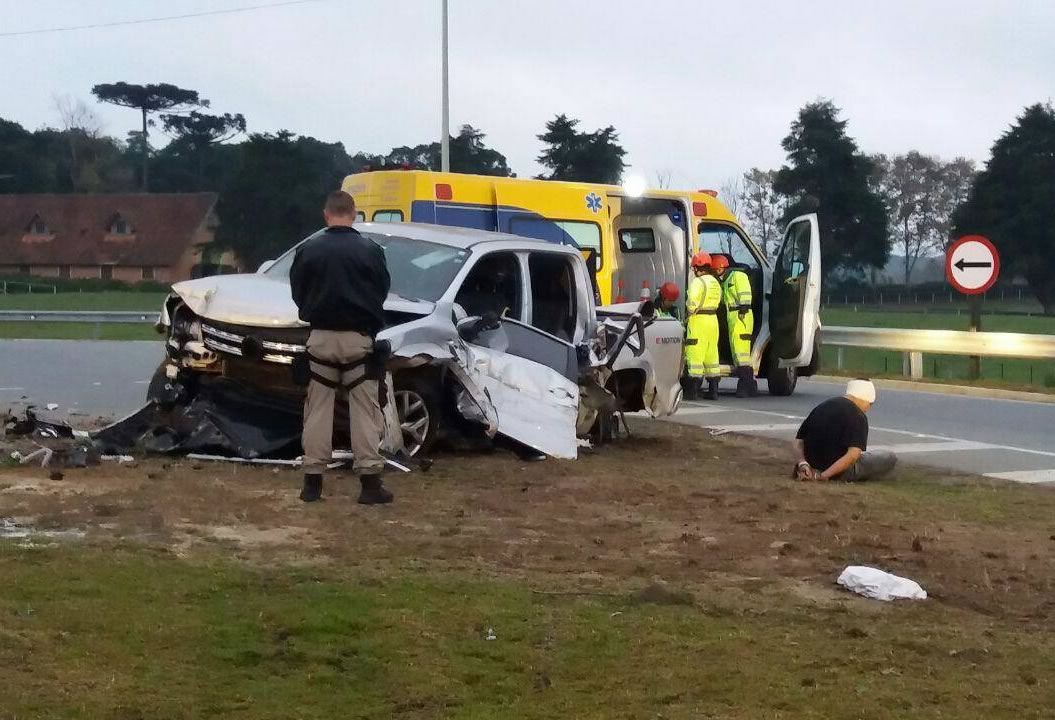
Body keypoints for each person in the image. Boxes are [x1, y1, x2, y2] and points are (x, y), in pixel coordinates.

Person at [290, 191, 393, 504]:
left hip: (320, 336)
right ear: (354, 213)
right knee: (365, 410)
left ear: (326, 214)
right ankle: (370, 485)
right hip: (358, 338)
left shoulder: (308, 249)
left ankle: (312, 484)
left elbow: (298, 292)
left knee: (317, 410)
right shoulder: (371, 250)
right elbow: (382, 290)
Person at [792, 379, 897, 482]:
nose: (868, 408)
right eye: (870, 404)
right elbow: (852, 455)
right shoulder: (858, 415)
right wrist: (823, 475)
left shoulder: (822, 406)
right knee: (888, 457)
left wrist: (803, 463)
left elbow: (798, 442)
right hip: (840, 471)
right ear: (866, 398)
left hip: (812, 463)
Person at [711, 255, 758, 397]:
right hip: (734, 317)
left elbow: (744, 291)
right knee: (737, 352)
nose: (716, 272)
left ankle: (745, 384)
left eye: (717, 269)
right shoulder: (725, 280)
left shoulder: (738, 275)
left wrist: (744, 305)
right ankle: (749, 385)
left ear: (723, 268)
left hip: (741, 316)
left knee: (741, 353)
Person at [684, 252, 723, 400]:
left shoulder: (698, 282)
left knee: (695, 354)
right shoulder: (715, 282)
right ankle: (714, 390)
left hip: (699, 320)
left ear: (697, 267)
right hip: (713, 320)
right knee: (711, 355)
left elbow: (692, 303)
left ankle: (692, 391)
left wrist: (689, 310)